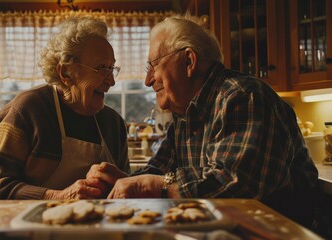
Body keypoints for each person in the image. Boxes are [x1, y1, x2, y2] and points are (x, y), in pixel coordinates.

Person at [86, 13, 327, 234]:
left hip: (279, 233)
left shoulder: (244, 96)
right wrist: (123, 180)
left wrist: (150, 185)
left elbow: (235, 183)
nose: (148, 80)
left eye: (153, 65)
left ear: (189, 61)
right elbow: (160, 170)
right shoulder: (185, 113)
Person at [0, 17, 130, 200]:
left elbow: (127, 190)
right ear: (65, 73)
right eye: (101, 68)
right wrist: (57, 197)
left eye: (111, 68)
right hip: (32, 227)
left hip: (98, 227)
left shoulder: (113, 123)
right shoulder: (27, 111)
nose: (111, 81)